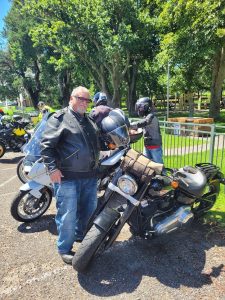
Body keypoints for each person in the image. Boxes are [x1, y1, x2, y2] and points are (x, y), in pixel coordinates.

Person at [40, 86, 100, 265]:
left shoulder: (88, 120)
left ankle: (82, 236)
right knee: (68, 215)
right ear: (71, 99)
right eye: (80, 98)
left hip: (90, 176)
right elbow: (46, 146)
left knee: (88, 211)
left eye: (87, 100)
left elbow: (96, 143)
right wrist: (52, 169)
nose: (84, 102)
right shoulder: (59, 118)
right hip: (67, 177)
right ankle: (64, 248)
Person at [132, 97, 164, 164]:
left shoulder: (151, 116)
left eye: (141, 107)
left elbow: (144, 122)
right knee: (146, 165)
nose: (139, 109)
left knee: (159, 166)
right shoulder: (146, 116)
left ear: (147, 107)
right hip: (147, 146)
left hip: (155, 146)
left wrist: (130, 125)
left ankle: (163, 174)